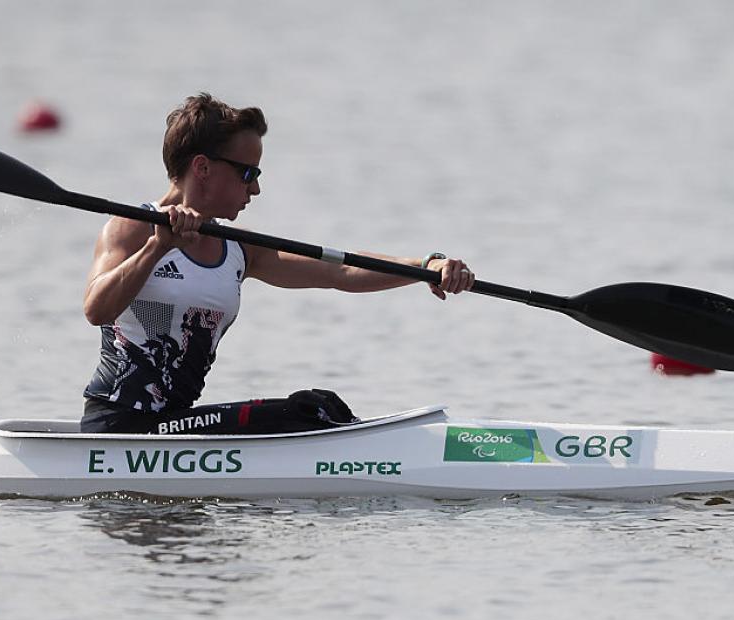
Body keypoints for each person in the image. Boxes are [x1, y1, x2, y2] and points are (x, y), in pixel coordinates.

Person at [81, 93, 474, 435]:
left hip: (175, 426)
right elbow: (97, 309)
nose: (255, 188)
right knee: (308, 410)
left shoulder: (239, 249)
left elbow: (340, 271)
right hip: (118, 424)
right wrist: (157, 248)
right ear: (202, 168)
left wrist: (425, 266)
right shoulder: (132, 227)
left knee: (323, 406)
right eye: (247, 173)